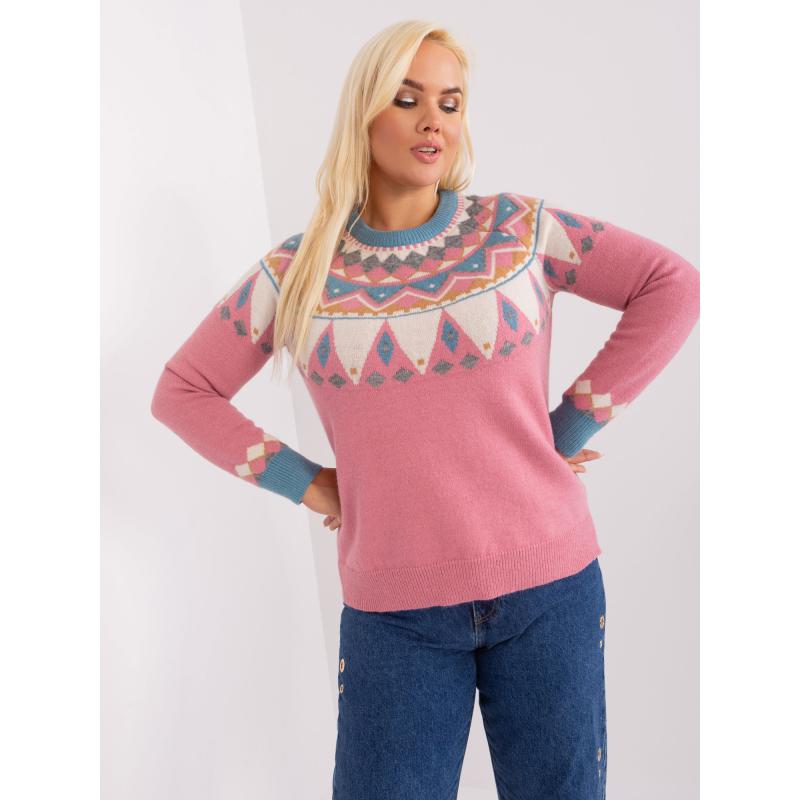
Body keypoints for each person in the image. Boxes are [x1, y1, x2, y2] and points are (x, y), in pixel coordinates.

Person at [151, 18, 699, 800]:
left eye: (450, 101)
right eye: (407, 99)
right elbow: (183, 390)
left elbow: (671, 286)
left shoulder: (518, 232)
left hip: (551, 590)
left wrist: (565, 429)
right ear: (364, 112)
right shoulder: (298, 274)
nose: (433, 120)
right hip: (395, 617)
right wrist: (309, 483)